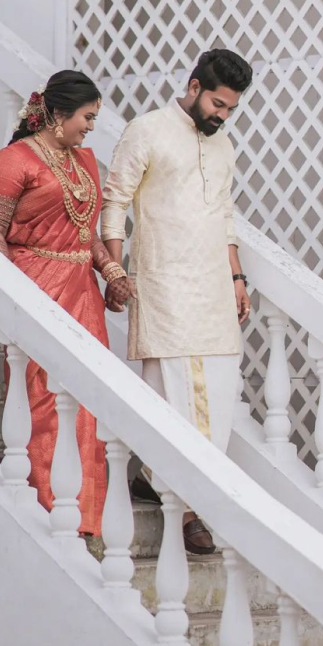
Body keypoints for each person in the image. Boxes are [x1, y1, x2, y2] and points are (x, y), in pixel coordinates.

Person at [100, 48, 253, 556]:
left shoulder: (224, 144)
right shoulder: (146, 131)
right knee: (181, 401)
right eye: (217, 103)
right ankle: (191, 512)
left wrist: (235, 275)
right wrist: (116, 270)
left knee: (221, 398)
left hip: (213, 290)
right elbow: (116, 201)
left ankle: (152, 478)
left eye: (230, 108)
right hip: (164, 285)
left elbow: (224, 214)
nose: (222, 115)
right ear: (193, 87)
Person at [0, 70, 130, 555]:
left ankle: (87, 519)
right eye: (87, 117)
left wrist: (114, 274)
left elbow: (86, 237)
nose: (91, 128)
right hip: (36, 289)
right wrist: (11, 296)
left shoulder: (83, 159)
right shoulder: (12, 161)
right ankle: (48, 510)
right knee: (43, 401)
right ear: (59, 114)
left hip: (82, 293)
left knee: (88, 404)